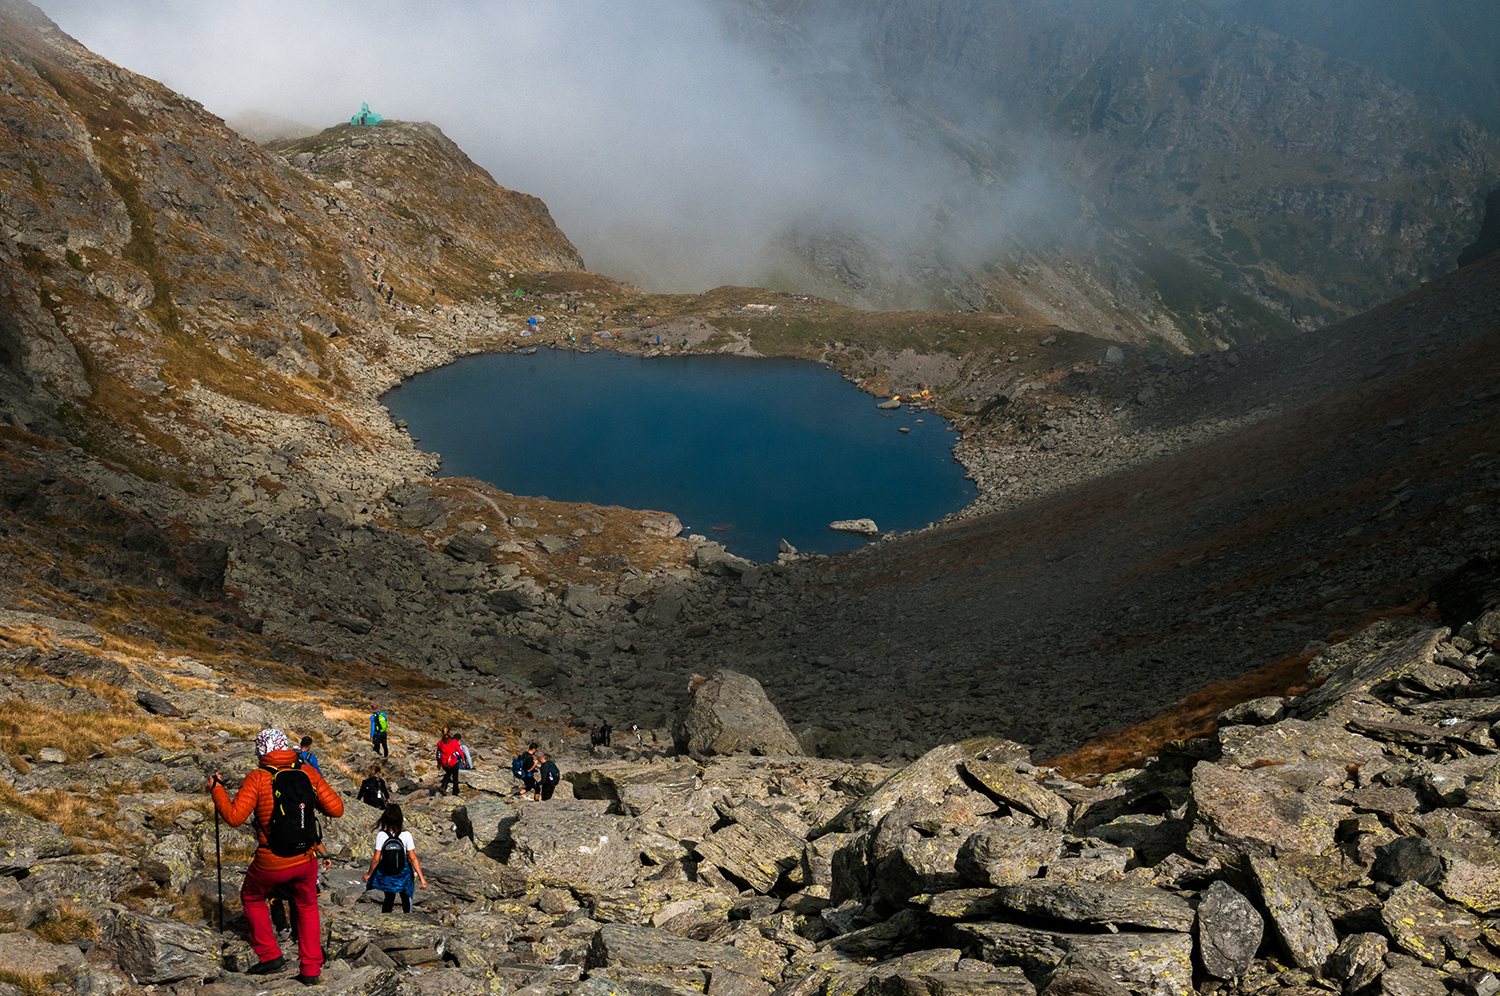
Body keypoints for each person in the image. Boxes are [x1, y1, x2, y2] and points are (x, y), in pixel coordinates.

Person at [208, 728, 343, 985]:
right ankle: (310, 969)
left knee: (252, 896)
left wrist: (217, 790)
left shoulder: (258, 778)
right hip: (306, 858)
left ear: (261, 751)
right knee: (307, 905)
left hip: (271, 859)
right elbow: (337, 809)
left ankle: (270, 955)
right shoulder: (308, 773)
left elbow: (234, 817)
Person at [365, 804, 427, 914]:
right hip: (404, 872)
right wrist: (422, 878)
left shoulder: (381, 835)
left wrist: (369, 874)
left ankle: (385, 919)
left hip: (387, 872)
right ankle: (408, 918)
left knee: (389, 897)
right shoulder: (406, 835)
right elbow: (413, 858)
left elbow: (376, 859)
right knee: (405, 896)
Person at [436, 728, 463, 796]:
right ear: (450, 732)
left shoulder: (440, 743)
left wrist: (439, 763)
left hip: (444, 763)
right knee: (455, 776)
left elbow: (438, 753)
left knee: (448, 773)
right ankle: (455, 792)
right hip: (453, 762)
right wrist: (463, 759)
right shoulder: (453, 741)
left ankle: (443, 787)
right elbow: (459, 751)